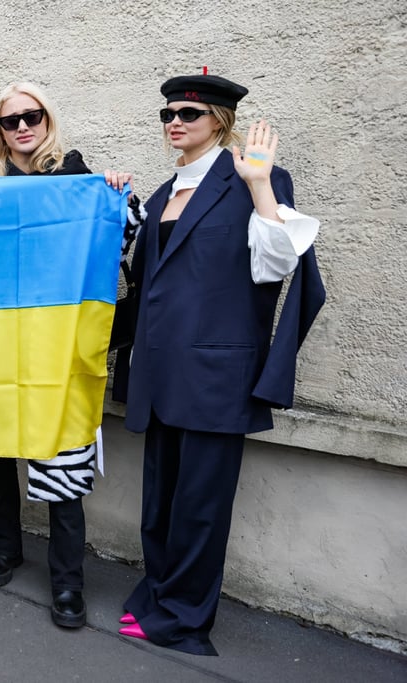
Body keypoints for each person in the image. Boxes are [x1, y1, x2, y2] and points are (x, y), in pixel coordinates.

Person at [115, 73, 324, 655]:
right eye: (168, 114)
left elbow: (276, 266)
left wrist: (258, 184)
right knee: (160, 501)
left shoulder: (256, 180)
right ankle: (159, 596)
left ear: (221, 121)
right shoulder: (162, 193)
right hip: (160, 371)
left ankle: (184, 619)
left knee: (200, 508)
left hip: (216, 378)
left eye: (189, 113)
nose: (175, 122)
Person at [0, 81, 138, 629]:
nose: (21, 127)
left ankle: (68, 580)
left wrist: (117, 196)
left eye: (31, 116)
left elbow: (121, 237)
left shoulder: (77, 181)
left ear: (47, 120)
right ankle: (5, 547)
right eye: (10, 120)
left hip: (55, 347)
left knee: (62, 455)